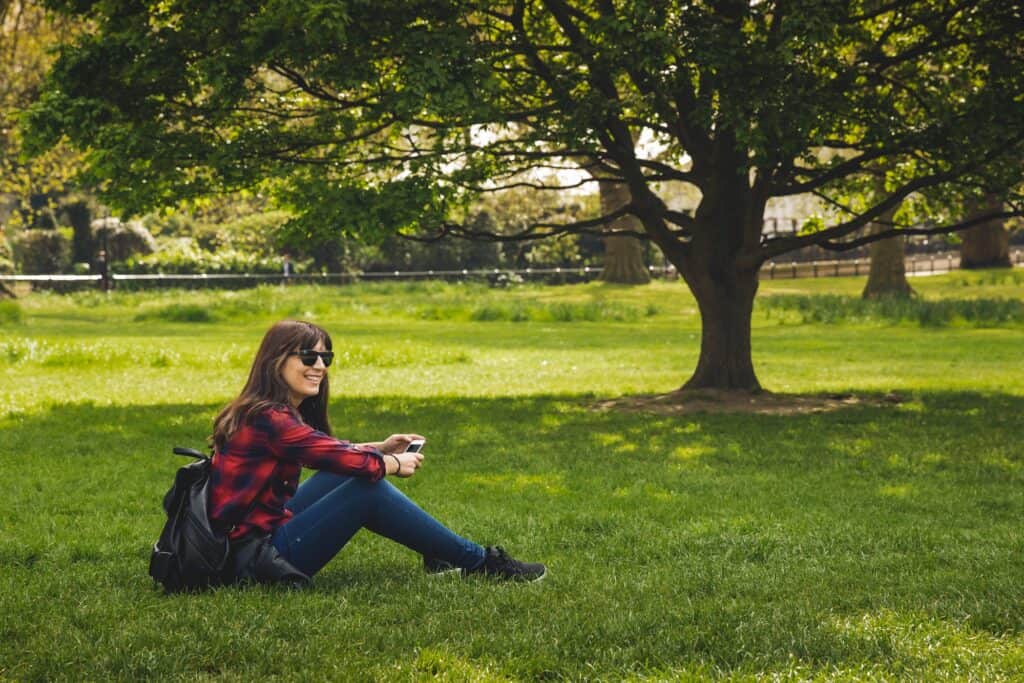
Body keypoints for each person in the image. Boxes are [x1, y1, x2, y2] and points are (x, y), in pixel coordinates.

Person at [207, 319, 546, 586]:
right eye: (309, 357)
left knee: (346, 471)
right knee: (366, 489)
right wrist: (392, 463)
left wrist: (379, 449)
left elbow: (327, 453)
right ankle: (479, 562)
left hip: (244, 545)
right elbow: (340, 457)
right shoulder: (270, 419)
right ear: (275, 361)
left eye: (326, 357)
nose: (320, 366)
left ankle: (437, 551)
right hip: (252, 560)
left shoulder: (265, 412)